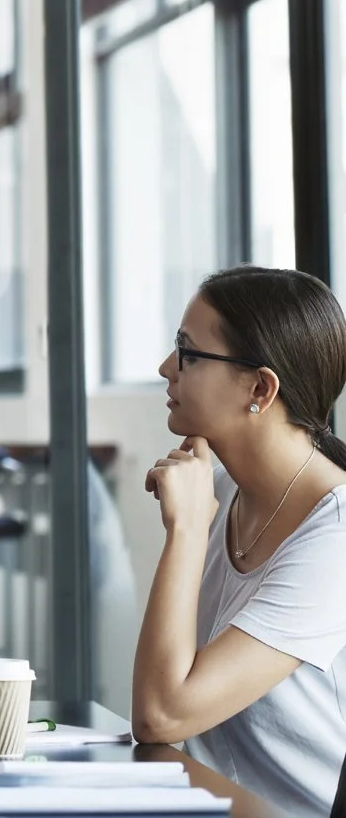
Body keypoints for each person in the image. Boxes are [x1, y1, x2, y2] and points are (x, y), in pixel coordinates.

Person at [136, 265, 346, 813]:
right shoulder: (221, 490)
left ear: (260, 387)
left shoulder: (336, 535)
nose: (165, 369)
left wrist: (185, 529)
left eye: (188, 352)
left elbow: (162, 714)